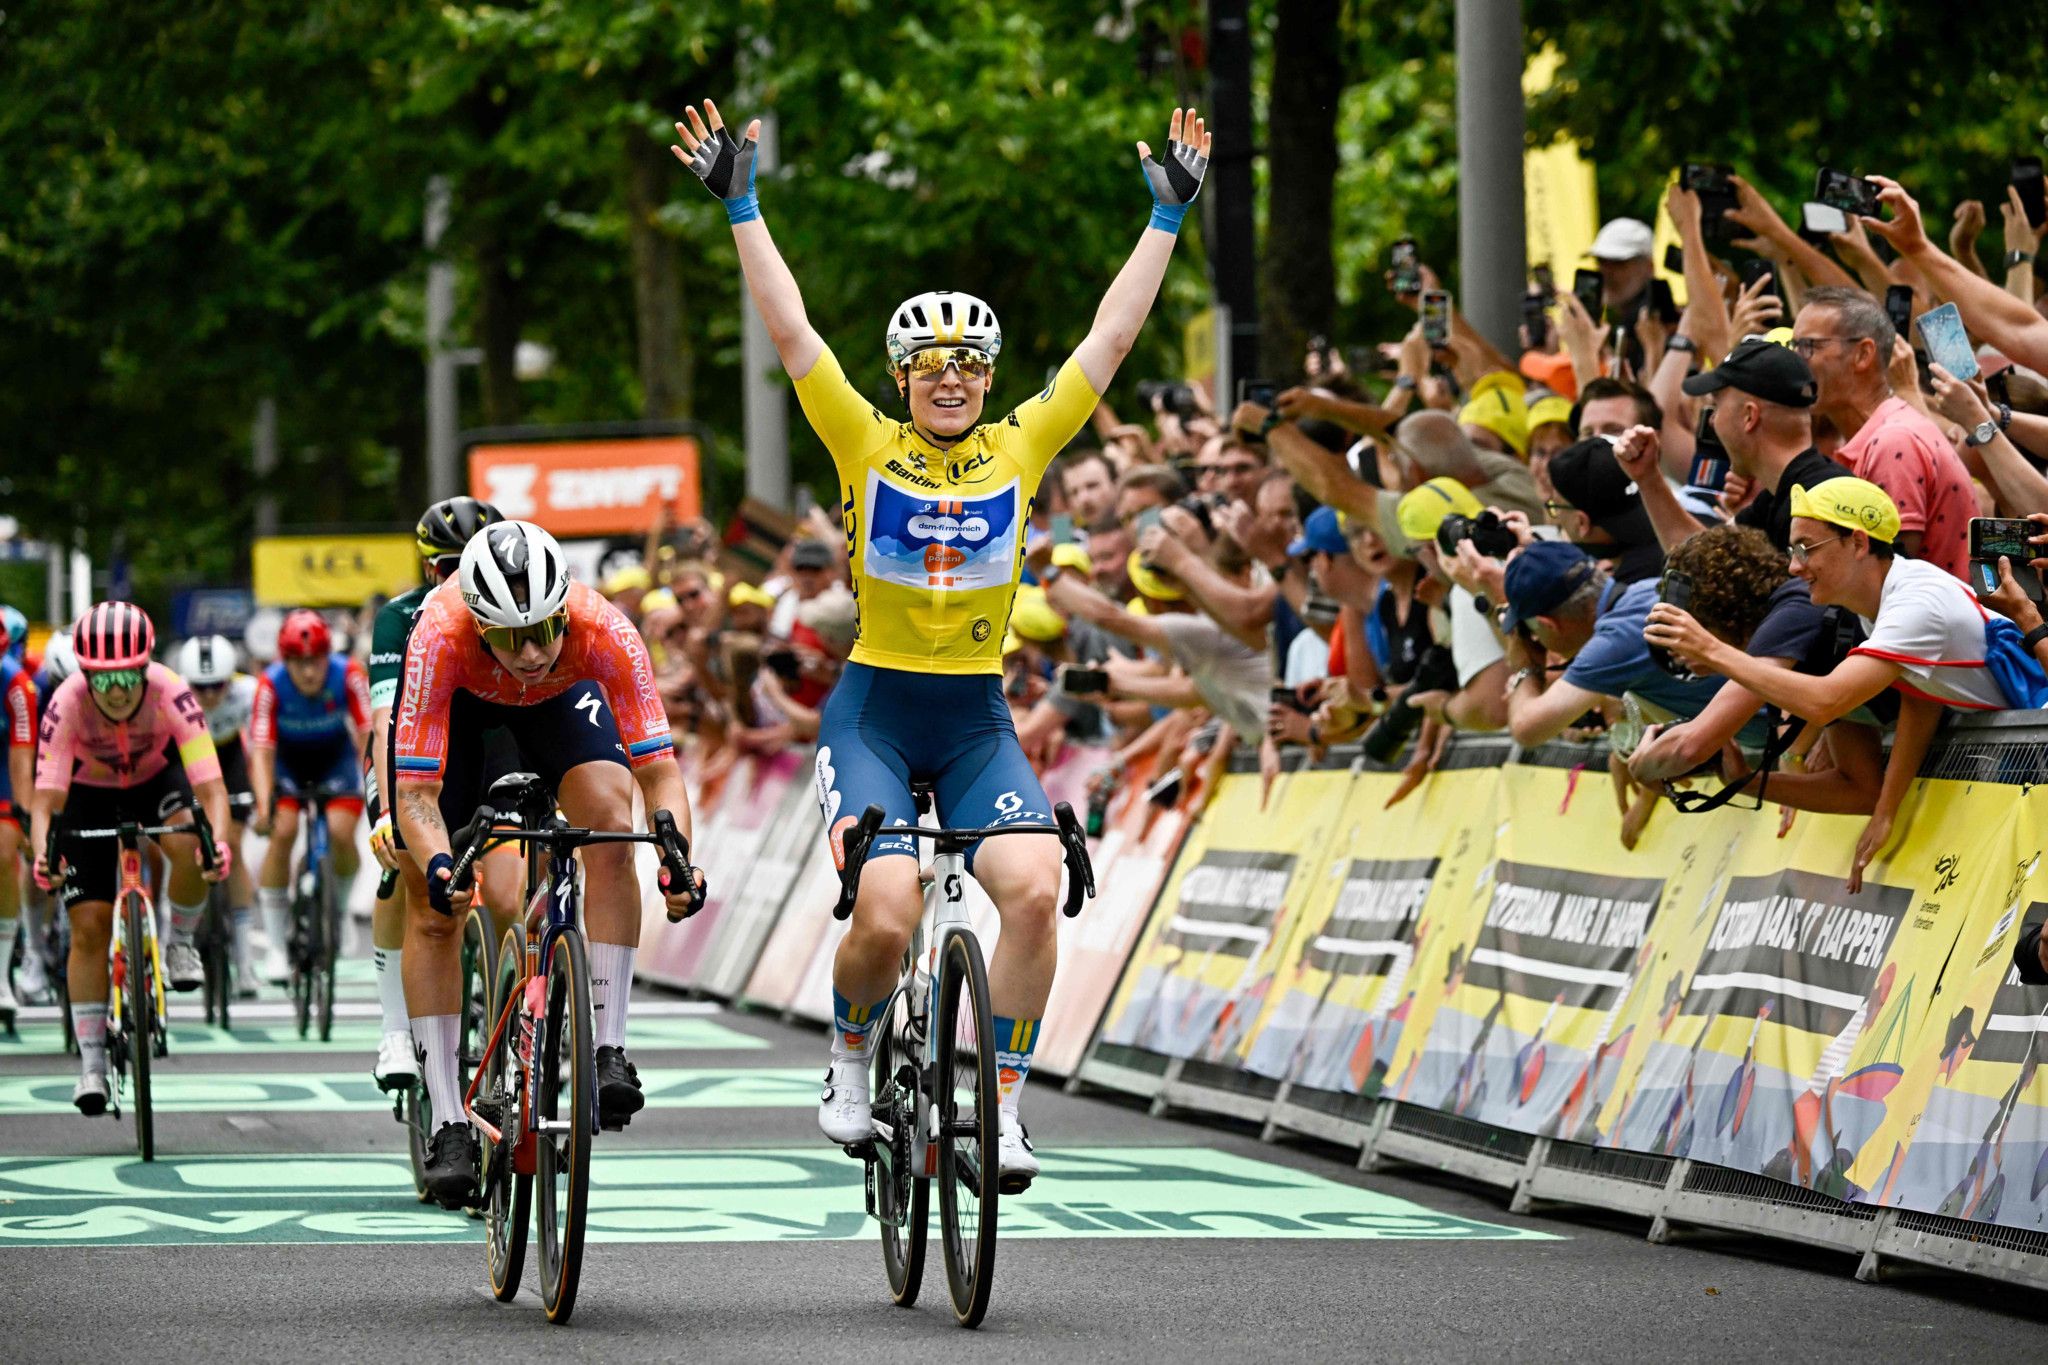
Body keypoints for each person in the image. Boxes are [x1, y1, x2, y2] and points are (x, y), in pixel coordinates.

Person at [675, 95, 1209, 1188]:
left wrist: (1162, 225)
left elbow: (1108, 344)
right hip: (874, 709)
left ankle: (1003, 1107)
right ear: (903, 381)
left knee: (1030, 888)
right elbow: (791, 331)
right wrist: (742, 205)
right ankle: (847, 1054)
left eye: (969, 365)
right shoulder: (861, 439)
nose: (953, 378)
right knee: (884, 906)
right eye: (932, 368)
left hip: (973, 716)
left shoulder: (1025, 442)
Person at [394, 519, 699, 1206]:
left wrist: (679, 853)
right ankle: (447, 1116)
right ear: (478, 624)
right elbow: (414, 794)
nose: (531, 651)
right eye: (508, 635)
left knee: (610, 825)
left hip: (563, 707)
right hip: (466, 710)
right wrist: (443, 863)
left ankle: (608, 1046)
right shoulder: (439, 635)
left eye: (543, 629)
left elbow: (660, 770)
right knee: (432, 900)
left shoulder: (605, 629)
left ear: (565, 606)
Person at [1644, 478, 2016, 889]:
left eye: (1806, 549)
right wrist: (1885, 811)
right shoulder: (1879, 602)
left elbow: (1827, 703)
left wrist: (1712, 650)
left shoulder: (1916, 603)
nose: (1793, 567)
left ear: (1858, 543)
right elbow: (1922, 699)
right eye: (1791, 551)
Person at [29, 602, 231, 1113]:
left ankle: (181, 942)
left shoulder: (171, 690)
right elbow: (45, 801)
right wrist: (41, 856)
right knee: (91, 924)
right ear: (84, 676)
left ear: (144, 669)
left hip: (153, 781)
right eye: (102, 681)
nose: (115, 691)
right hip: (86, 791)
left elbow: (210, 786)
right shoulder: (66, 702)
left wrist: (220, 843)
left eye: (125, 678)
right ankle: (92, 1063)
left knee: (191, 839)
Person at [362, 495, 522, 1096]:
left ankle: (522, 1015)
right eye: (446, 566)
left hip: (491, 743)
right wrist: (384, 811)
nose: (458, 578)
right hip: (412, 743)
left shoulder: (514, 606)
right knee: (401, 870)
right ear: (429, 570)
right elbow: (385, 722)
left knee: (507, 893)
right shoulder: (398, 619)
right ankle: (397, 1029)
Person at [1794, 286, 1975, 579]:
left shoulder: (1892, 444)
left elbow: (1886, 578)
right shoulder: (1878, 435)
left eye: (1808, 346)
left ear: (1863, 354)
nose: (1794, 360)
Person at [247, 609, 371, 988]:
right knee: (282, 832)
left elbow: (368, 733)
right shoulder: (270, 684)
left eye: (315, 660)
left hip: (335, 760)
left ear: (326, 657)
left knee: (341, 833)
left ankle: (340, 911)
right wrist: (265, 803)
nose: (309, 672)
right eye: (298, 663)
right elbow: (263, 752)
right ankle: (276, 947)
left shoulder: (349, 674)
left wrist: (374, 784)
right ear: (285, 661)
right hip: (288, 762)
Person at [171, 634, 260, 995]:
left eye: (217, 686)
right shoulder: (173, 695)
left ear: (232, 679)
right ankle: (176, 933)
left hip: (229, 758)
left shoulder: (249, 692)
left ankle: (244, 960)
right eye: (200, 687)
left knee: (233, 847)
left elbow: (260, 746)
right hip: (188, 762)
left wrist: (261, 795)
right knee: (183, 845)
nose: (208, 696)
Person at [0, 636, 34, 1017]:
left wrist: (23, 817)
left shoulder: (17, 684)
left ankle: (1, 976)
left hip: (5, 768)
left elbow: (22, 759)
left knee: (4, 853)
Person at [1061, 448, 1119, 525]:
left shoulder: (1138, 524)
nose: (1083, 499)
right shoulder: (1063, 533)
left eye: (1092, 486)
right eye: (1074, 492)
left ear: (1116, 484)